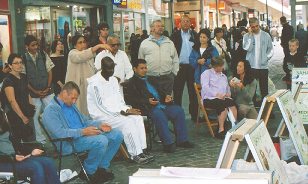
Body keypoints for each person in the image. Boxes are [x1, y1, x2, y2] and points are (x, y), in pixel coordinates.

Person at [42, 81, 123, 183]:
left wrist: (99, 124)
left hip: (83, 135)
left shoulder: (71, 104)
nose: (75, 101)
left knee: (117, 134)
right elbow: (60, 133)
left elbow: (85, 121)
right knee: (101, 140)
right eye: (73, 98)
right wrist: (83, 132)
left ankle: (101, 167)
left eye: (76, 98)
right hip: (69, 142)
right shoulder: (51, 110)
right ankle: (89, 171)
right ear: (64, 93)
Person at [87, 56, 154, 164]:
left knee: (137, 118)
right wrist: (122, 113)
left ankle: (142, 150)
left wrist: (127, 109)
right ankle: (134, 154)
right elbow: (100, 106)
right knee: (127, 122)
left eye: (112, 68)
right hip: (102, 115)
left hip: (118, 112)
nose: (111, 71)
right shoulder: (94, 83)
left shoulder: (113, 80)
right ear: (102, 68)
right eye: (108, 69)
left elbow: (119, 100)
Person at [125, 59, 194, 153]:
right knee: (158, 114)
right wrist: (147, 101)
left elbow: (161, 92)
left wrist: (166, 97)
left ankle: (182, 140)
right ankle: (168, 143)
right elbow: (131, 100)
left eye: (145, 68)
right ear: (134, 69)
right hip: (147, 108)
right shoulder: (131, 83)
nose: (145, 70)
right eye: (141, 68)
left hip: (161, 105)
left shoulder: (151, 79)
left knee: (178, 110)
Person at [65, 34, 111, 115]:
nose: (83, 44)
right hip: (76, 88)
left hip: (88, 87)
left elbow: (93, 70)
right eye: (80, 42)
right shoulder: (72, 53)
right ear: (75, 45)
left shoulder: (89, 55)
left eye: (84, 42)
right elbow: (81, 57)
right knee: (77, 111)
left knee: (89, 110)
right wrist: (98, 46)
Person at [23, 35, 55, 144]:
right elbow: (24, 79)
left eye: (36, 44)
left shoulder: (43, 54)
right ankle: (41, 141)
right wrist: (35, 91)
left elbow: (50, 71)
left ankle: (56, 138)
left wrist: (48, 87)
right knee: (35, 117)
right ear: (27, 46)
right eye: (33, 45)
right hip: (33, 94)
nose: (36, 47)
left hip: (48, 91)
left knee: (53, 113)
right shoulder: (23, 59)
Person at [1, 54, 36, 147]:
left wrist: (32, 108)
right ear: (10, 65)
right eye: (16, 63)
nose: (19, 65)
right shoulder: (8, 80)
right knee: (20, 144)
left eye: (21, 62)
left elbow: (27, 94)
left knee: (31, 140)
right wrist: (22, 117)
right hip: (15, 116)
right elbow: (12, 101)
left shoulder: (24, 77)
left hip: (27, 112)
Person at [138, 19, 179, 96]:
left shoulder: (169, 42)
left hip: (167, 78)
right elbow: (141, 60)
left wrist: (173, 74)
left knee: (167, 102)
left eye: (162, 26)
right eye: (158, 26)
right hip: (150, 78)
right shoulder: (145, 43)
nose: (161, 27)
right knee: (152, 101)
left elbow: (175, 59)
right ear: (152, 28)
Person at [200, 56, 237, 139]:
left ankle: (233, 126)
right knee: (222, 104)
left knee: (232, 103)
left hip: (222, 98)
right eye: (220, 66)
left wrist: (228, 94)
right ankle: (221, 129)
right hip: (209, 98)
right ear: (215, 66)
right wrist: (216, 94)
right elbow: (205, 88)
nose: (222, 67)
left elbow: (227, 89)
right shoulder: (206, 73)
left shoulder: (223, 76)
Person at [171, 15, 198, 122]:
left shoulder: (195, 35)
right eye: (184, 21)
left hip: (192, 67)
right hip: (180, 67)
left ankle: (194, 115)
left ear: (190, 23)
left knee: (193, 92)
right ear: (180, 23)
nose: (186, 23)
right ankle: (177, 116)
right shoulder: (175, 35)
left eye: (188, 21)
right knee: (178, 92)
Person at [243, 18, 273, 105]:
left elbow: (271, 49)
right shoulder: (246, 36)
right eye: (253, 27)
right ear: (250, 27)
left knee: (264, 88)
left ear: (259, 25)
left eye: (257, 26)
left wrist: (266, 58)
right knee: (252, 88)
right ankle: (253, 107)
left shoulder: (266, 35)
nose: (255, 28)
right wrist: (250, 37)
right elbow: (246, 48)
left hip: (263, 66)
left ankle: (266, 108)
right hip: (251, 66)